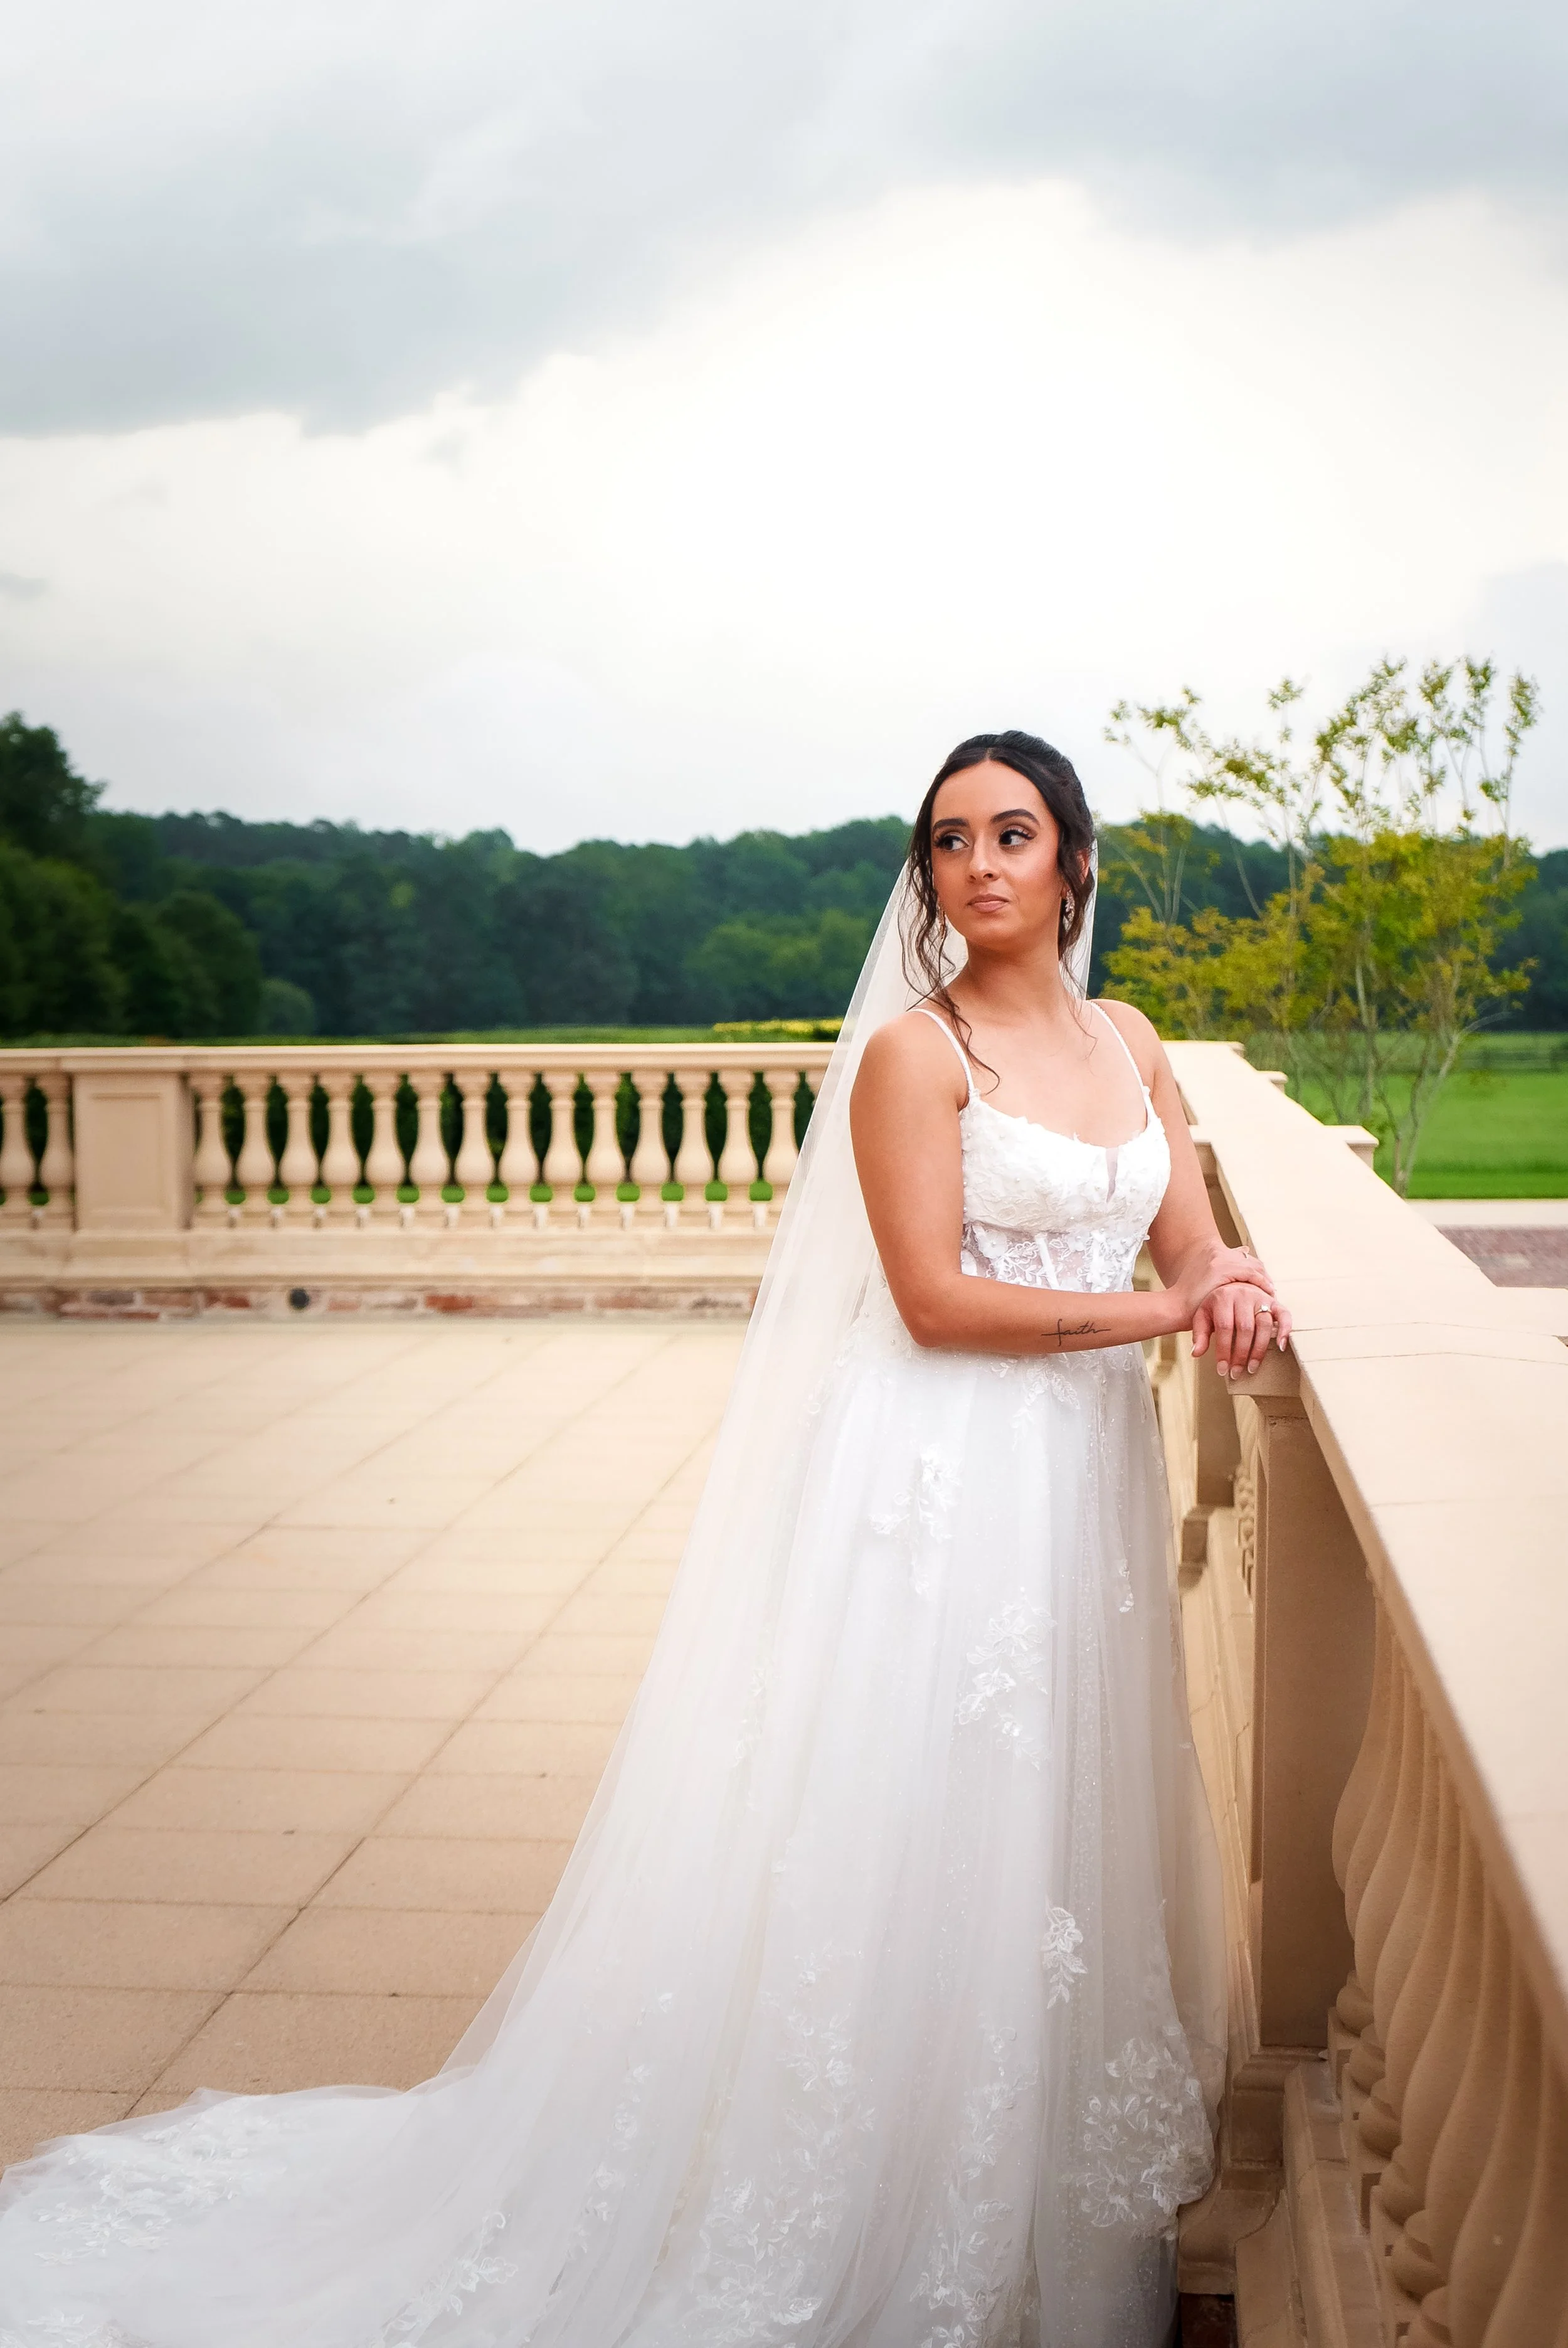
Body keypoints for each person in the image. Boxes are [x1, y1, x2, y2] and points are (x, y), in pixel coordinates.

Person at [0, 730, 1287, 2348]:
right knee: (918, 1807)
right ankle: (866, 2187)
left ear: (1076, 861)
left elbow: (1181, 1225)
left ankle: (1017, 2172)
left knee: (1047, 1816)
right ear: (931, 875)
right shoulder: (919, 1057)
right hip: (944, 1474)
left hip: (1073, 1478)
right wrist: (1162, 1310)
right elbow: (937, 1302)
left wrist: (1224, 1278)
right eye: (951, 839)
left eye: (1014, 833)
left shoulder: (1130, 1039)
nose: (982, 864)